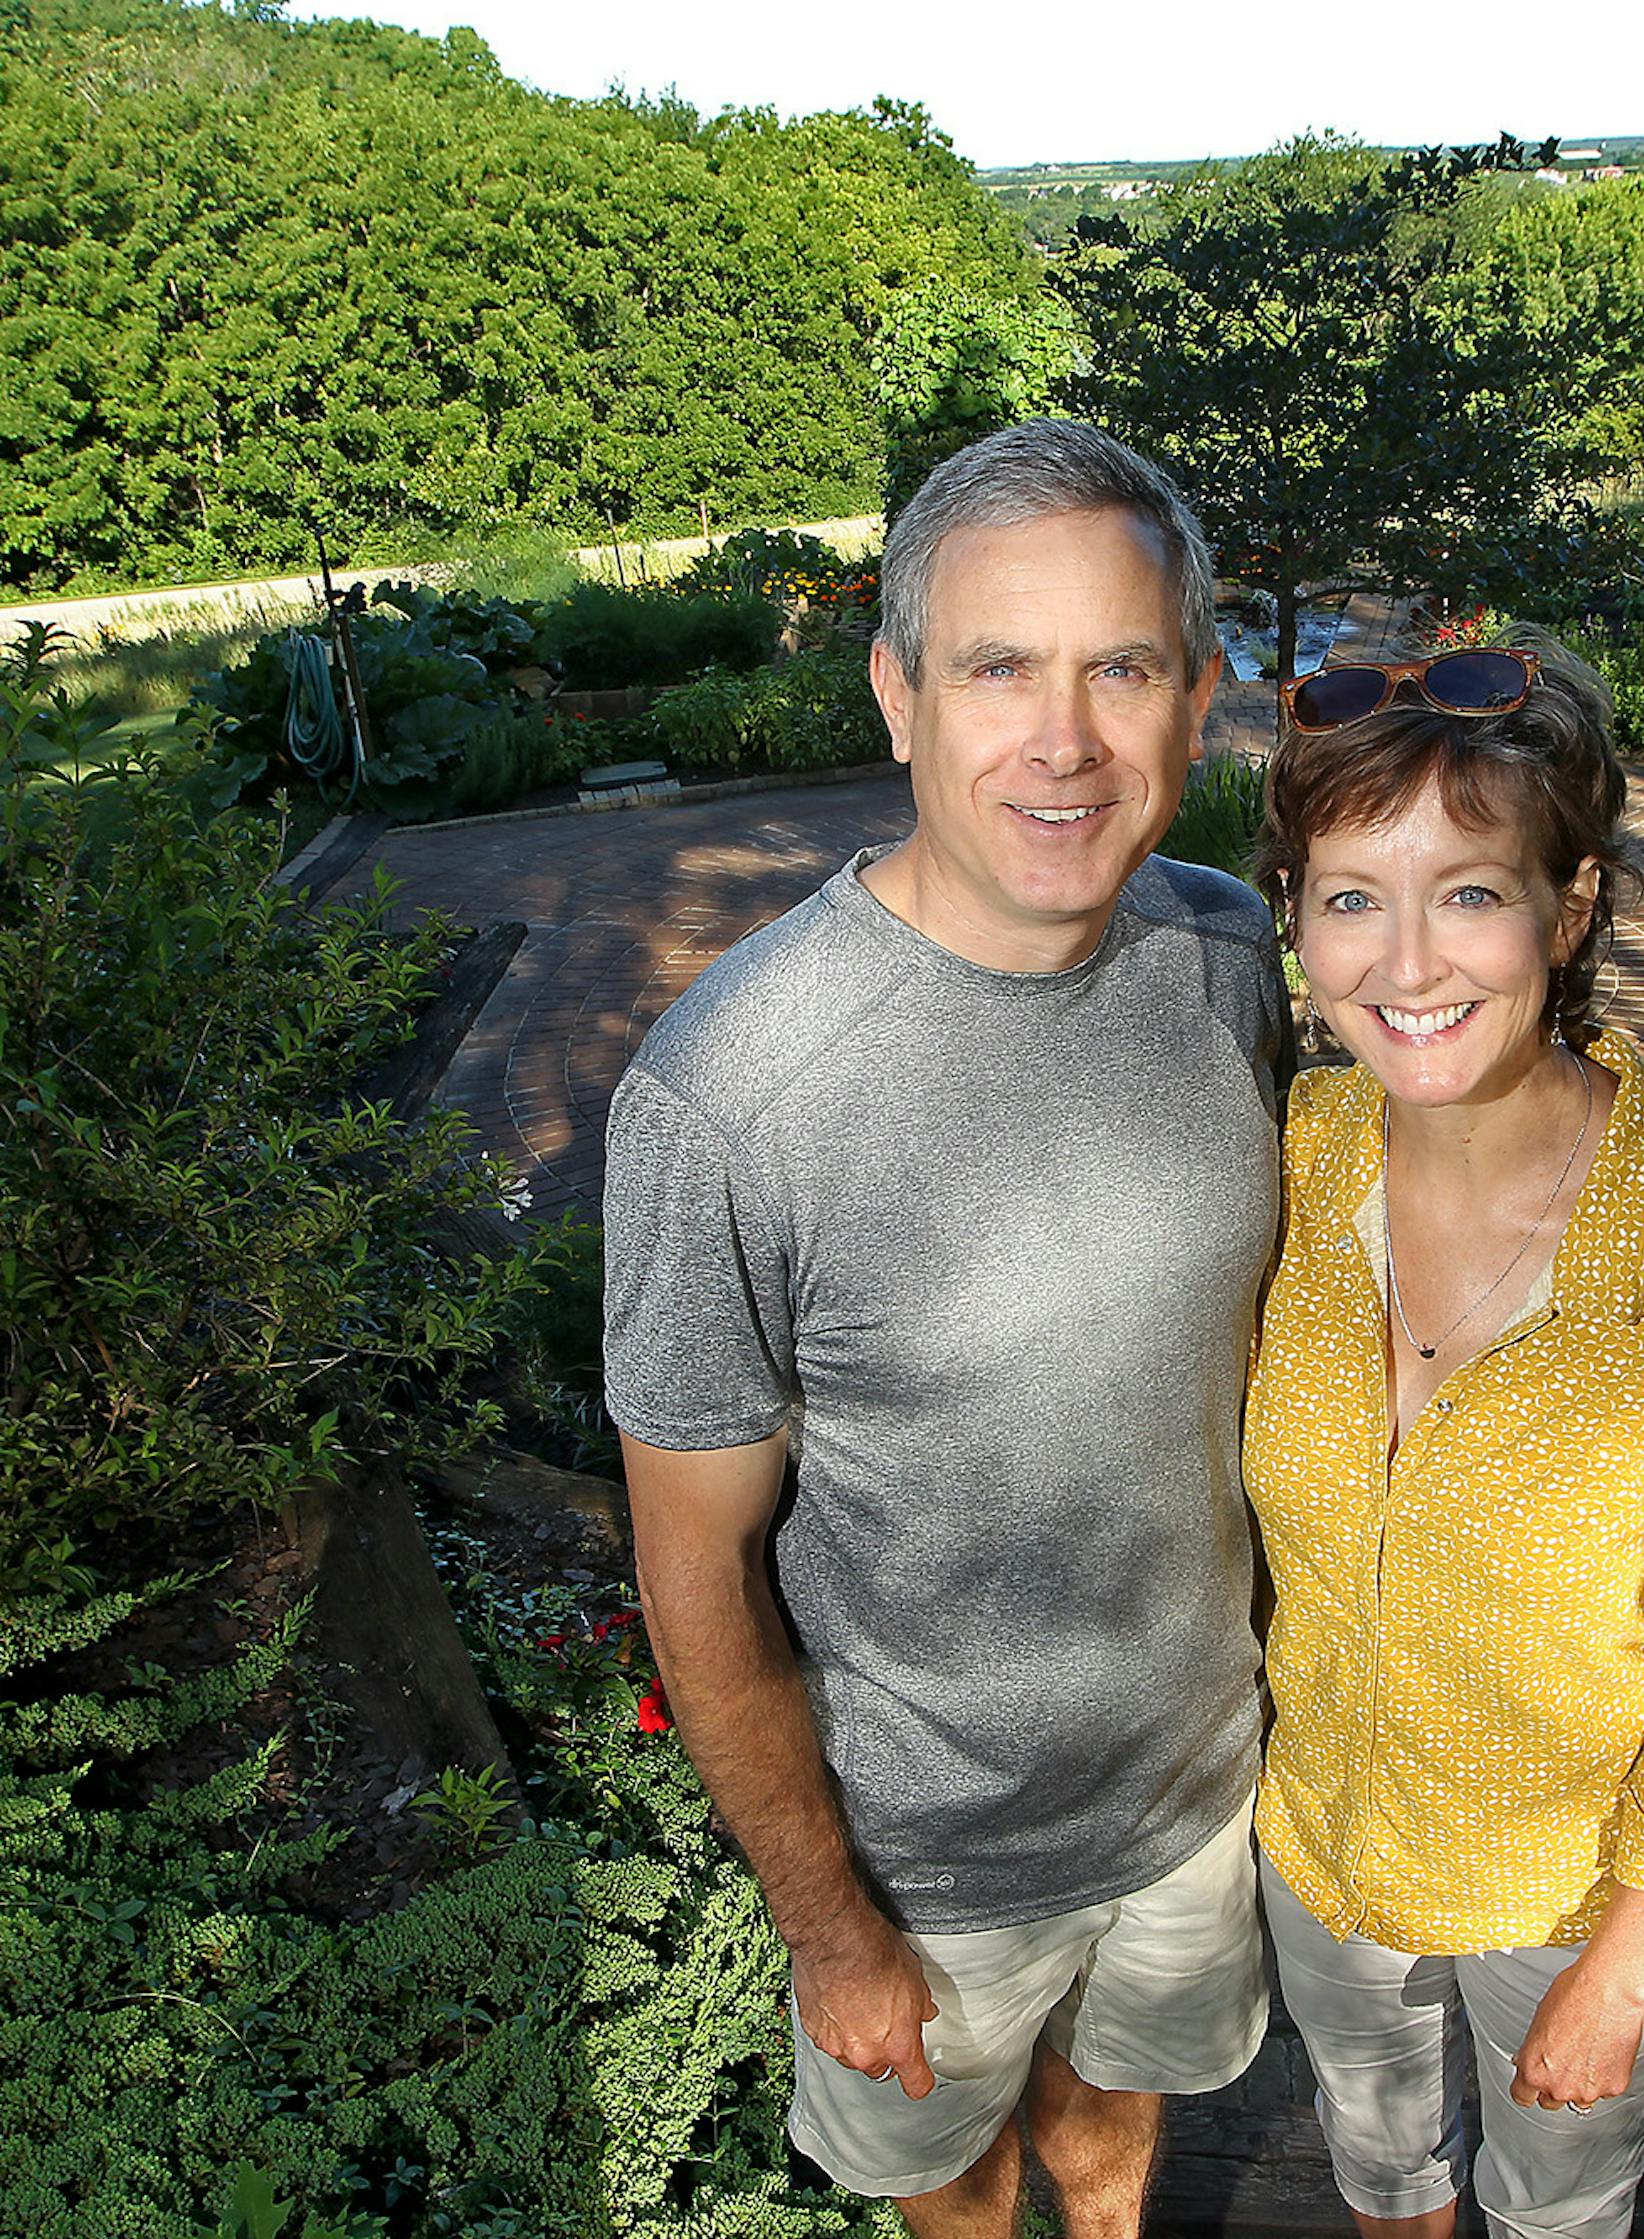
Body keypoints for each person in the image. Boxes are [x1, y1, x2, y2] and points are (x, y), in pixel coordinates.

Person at [601, 419, 1291, 2239]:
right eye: (1000, 668)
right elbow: (697, 1569)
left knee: (1110, 2140)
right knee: (967, 2188)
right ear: (899, 695)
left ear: (1198, 701)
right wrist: (830, 1926)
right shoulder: (733, 1098)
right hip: (924, 1872)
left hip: (1199, 1793)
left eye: (1122, 668)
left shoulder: (1227, 964)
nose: (1063, 742)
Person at [1242, 629, 1644, 2239]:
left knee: (1554, 2211)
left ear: (1570, 910)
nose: (1405, 963)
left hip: (1568, 1906)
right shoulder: (1291, 1162)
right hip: (1325, 1848)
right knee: (1381, 2172)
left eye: (1471, 893)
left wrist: (1622, 1967)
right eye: (1351, 895)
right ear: (1295, 919)